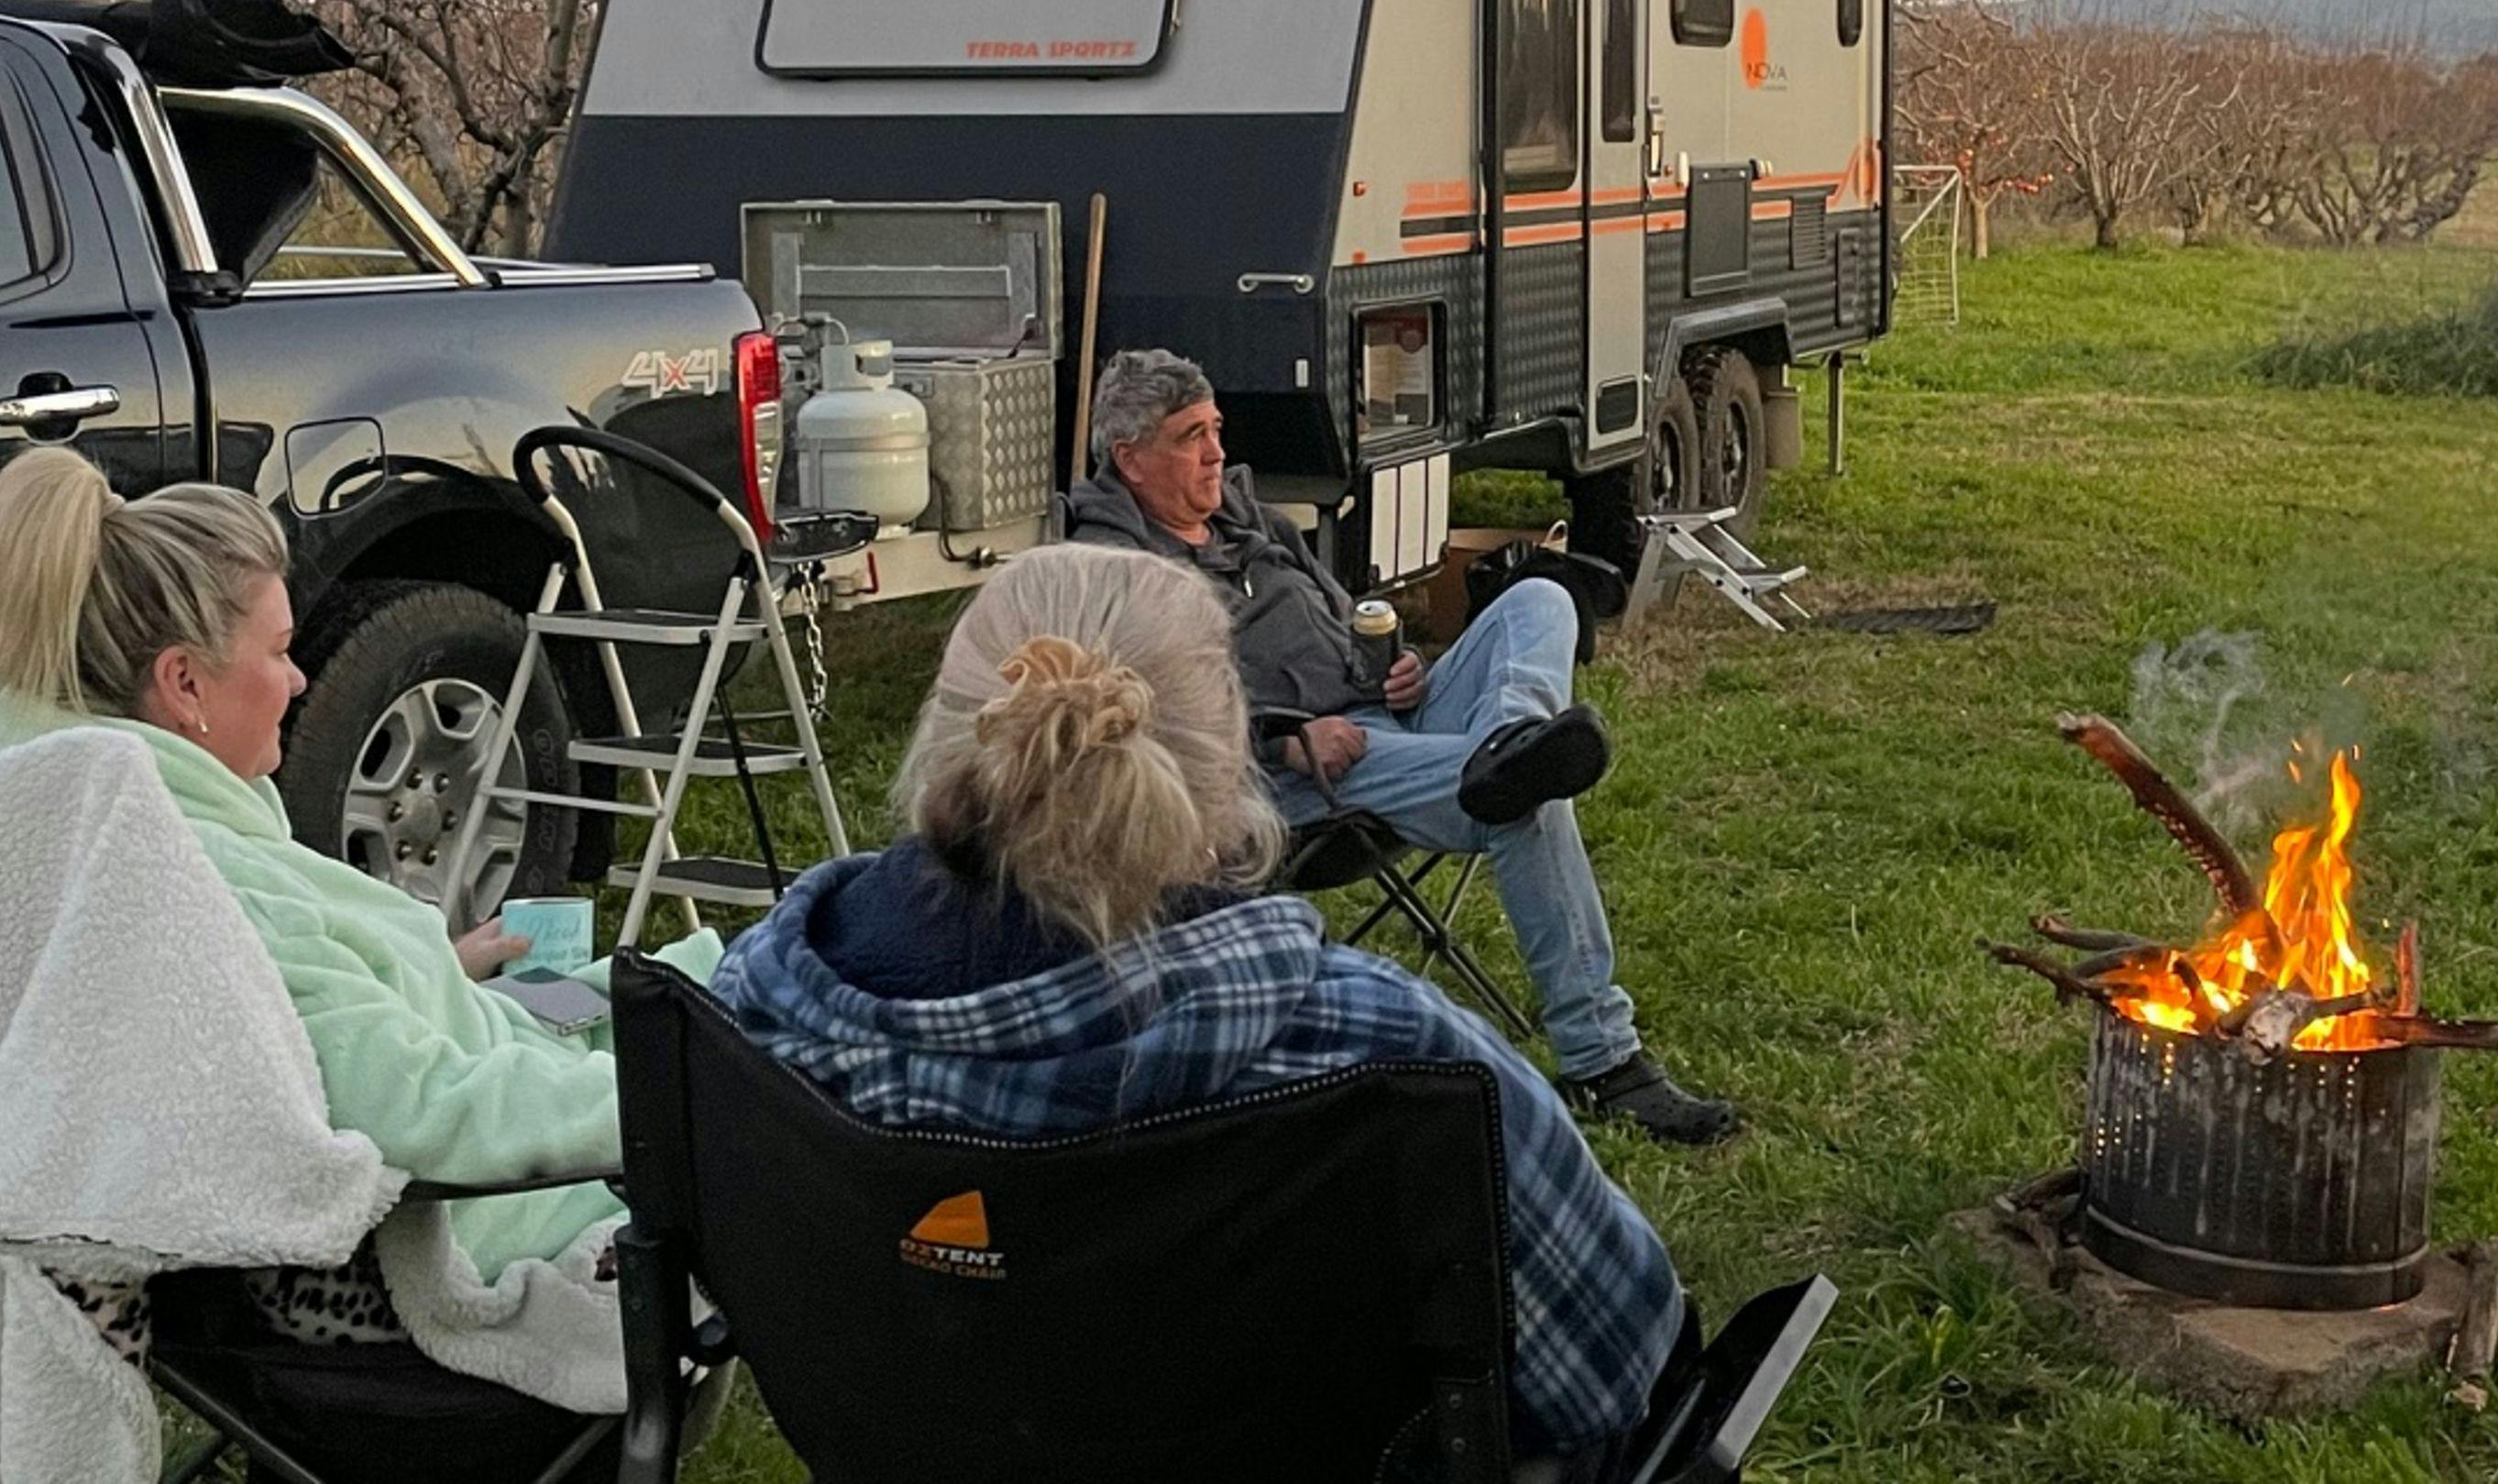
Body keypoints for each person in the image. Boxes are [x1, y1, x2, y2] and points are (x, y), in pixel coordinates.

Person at [710, 544, 1687, 1459]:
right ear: (1228, 772)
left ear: (946, 741)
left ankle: (1505, 744)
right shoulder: (1388, 1053)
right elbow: (1620, 1369)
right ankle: (1501, 760)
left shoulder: (754, 1014)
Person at [0, 446, 726, 1276]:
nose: (301, 676)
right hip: (523, 1201)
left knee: (718, 986)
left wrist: (433, 970)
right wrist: (683, 1103)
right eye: (278, 651)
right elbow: (422, 1103)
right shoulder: (204, 886)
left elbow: (336, 1027)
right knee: (784, 1051)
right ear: (185, 685)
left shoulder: (151, 837)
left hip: (501, 1052)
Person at [1061, 349, 1736, 1143]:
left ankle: (1507, 737)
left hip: (1379, 714)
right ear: (1129, 458)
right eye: (1189, 438)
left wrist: (1397, 662)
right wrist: (1285, 740)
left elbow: (1346, 618)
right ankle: (1603, 1059)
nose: (1215, 452)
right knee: (1524, 798)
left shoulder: (1253, 520)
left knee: (1541, 601)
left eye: (1215, 430)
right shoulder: (1114, 570)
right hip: (1297, 774)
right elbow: (1141, 720)